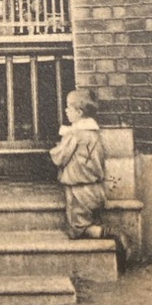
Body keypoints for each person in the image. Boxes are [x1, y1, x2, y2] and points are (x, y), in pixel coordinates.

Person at [50, 88, 106, 239]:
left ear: (79, 112)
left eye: (69, 107)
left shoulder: (74, 134)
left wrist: (56, 147)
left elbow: (59, 157)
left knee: (78, 226)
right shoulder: (94, 134)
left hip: (78, 187)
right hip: (95, 188)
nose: (66, 110)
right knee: (88, 219)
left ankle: (111, 234)